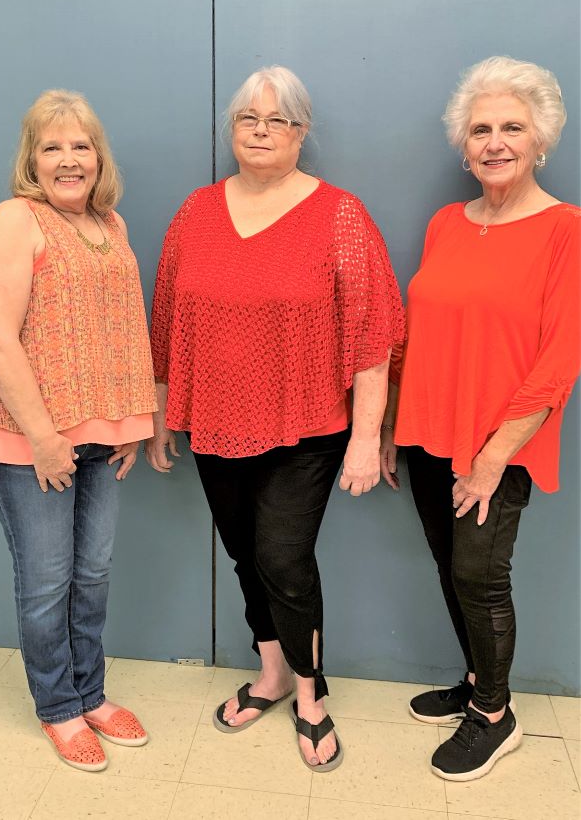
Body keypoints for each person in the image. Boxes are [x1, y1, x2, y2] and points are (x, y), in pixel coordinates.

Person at [147, 65, 405, 771]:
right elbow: (168, 316)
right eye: (247, 120)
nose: (260, 133)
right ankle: (271, 674)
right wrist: (163, 411)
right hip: (215, 422)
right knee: (242, 555)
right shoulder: (195, 212)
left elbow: (371, 334)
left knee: (282, 561)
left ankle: (310, 692)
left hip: (308, 427)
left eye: (277, 121)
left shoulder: (339, 215)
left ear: (301, 132)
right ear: (232, 130)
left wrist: (363, 439)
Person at [382, 56, 580, 781]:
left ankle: (495, 715)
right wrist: (389, 430)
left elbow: (560, 358)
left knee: (479, 573)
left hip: (499, 443)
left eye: (510, 128)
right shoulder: (445, 223)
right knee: (450, 565)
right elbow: (418, 333)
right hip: (430, 433)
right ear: (463, 146)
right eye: (479, 130)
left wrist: (495, 454)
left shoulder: (565, 229)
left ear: (540, 140)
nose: (494, 142)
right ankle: (475, 681)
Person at [0, 90, 157, 772]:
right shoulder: (16, 219)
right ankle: (58, 708)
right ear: (32, 161)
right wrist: (46, 437)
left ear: (98, 157)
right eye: (52, 147)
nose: (68, 159)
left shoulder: (113, 224)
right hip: (29, 443)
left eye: (81, 145)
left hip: (100, 436)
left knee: (93, 574)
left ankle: (91, 693)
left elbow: (120, 329)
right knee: (47, 582)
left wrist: (131, 418)